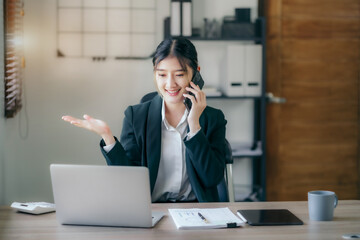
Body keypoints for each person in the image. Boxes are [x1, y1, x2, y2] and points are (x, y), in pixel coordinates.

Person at [62, 37, 227, 203]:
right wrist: (107, 137)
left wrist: (194, 125)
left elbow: (212, 178)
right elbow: (127, 181)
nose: (170, 84)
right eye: (162, 74)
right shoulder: (136, 116)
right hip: (152, 212)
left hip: (197, 214)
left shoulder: (213, 118)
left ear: (196, 72)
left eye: (179, 74)